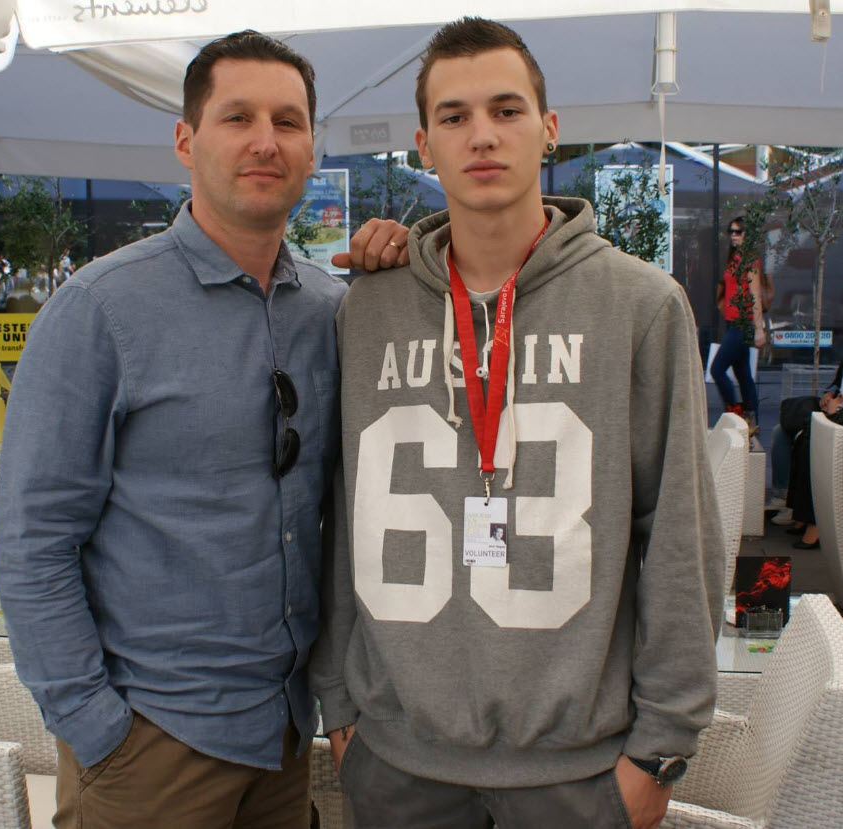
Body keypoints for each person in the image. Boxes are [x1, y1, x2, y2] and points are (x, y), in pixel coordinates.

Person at [310, 18, 724, 829]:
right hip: (396, 761)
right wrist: (339, 704)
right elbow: (338, 519)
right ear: (423, 146)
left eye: (507, 109)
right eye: (455, 117)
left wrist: (662, 749)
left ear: (550, 130)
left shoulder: (641, 307)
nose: (483, 136)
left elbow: (681, 538)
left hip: (580, 771)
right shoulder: (367, 311)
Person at [0, 31, 403, 829]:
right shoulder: (99, 310)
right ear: (186, 139)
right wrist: (95, 727)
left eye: (288, 121)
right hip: (151, 746)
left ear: (313, 147)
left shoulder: (330, 310)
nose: (264, 140)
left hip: (284, 739)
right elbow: (31, 538)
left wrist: (403, 266)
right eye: (237, 117)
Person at [709, 216, 766, 433]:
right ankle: (752, 421)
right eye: (731, 231)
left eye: (738, 232)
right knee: (744, 376)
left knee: (717, 369)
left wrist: (759, 329)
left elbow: (755, 295)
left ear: (746, 235)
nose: (733, 235)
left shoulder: (750, 260)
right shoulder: (735, 257)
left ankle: (735, 415)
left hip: (743, 325)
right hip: (733, 323)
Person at [781, 359, 843, 548]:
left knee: (809, 442)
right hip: (837, 405)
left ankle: (815, 523)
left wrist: (835, 410)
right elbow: (838, 380)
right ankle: (799, 512)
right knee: (784, 430)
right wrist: (831, 392)